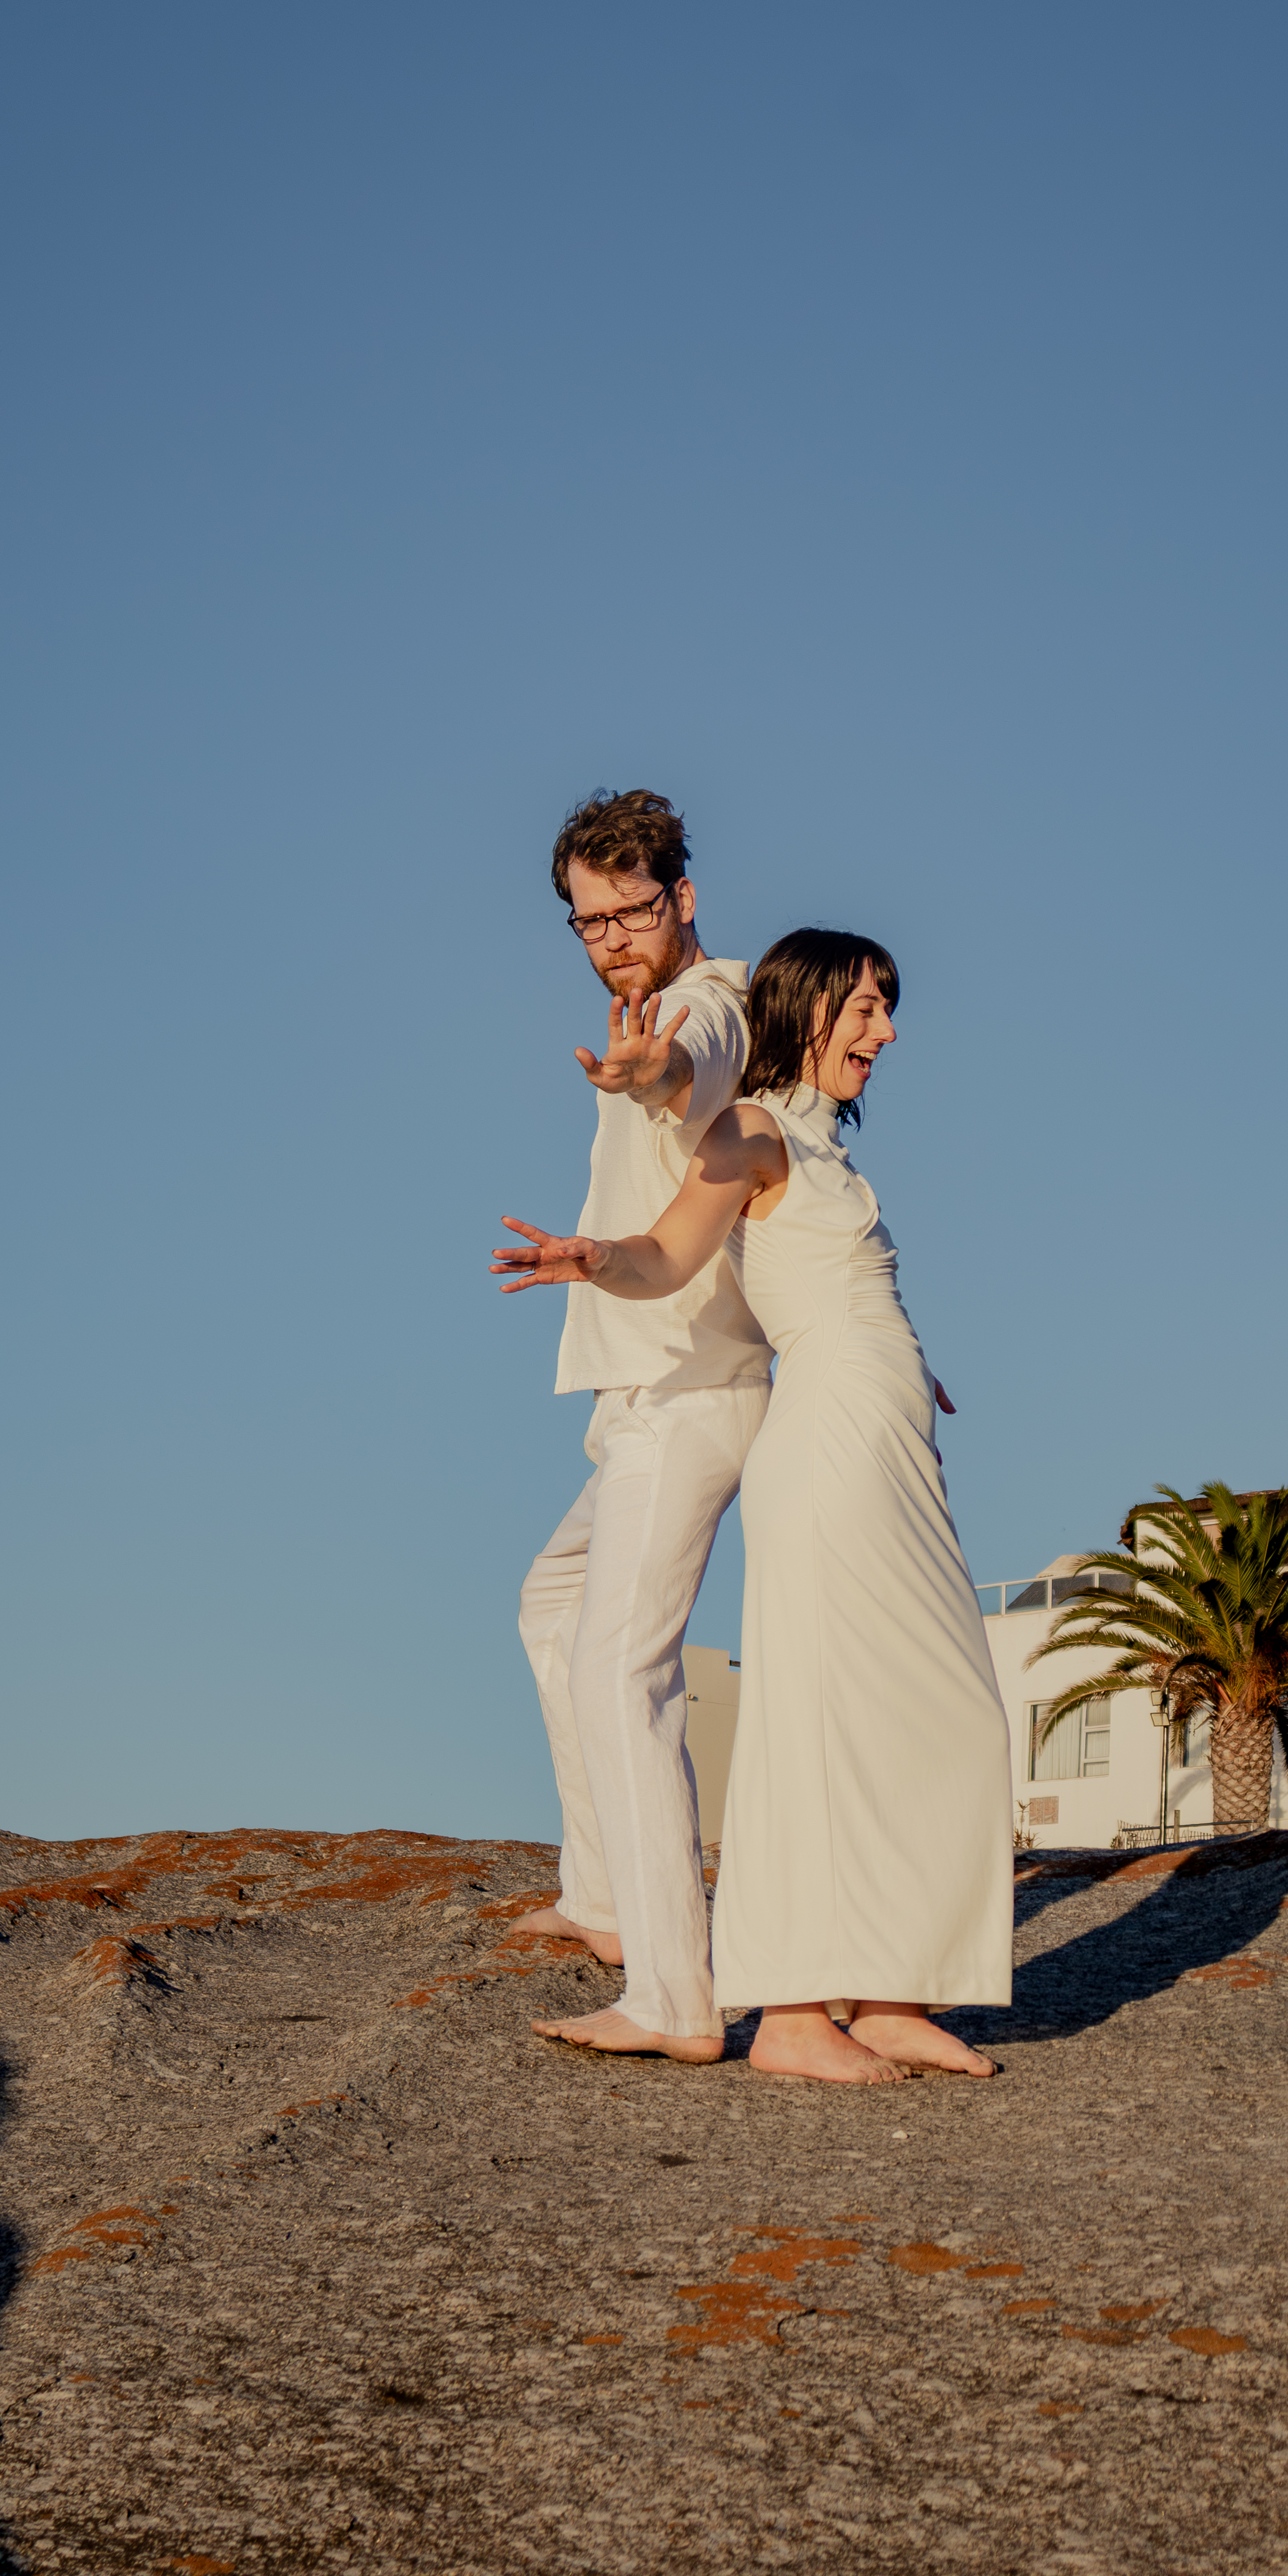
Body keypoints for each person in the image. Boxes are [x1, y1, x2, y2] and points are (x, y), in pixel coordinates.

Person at [495, 929, 1013, 2084]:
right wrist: (597, 1258)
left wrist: (902, 1358)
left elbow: (840, 1285)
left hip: (885, 1438)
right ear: (807, 1008)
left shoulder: (826, 1145)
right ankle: (789, 2014)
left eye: (886, 1008)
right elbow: (669, 1251)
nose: (886, 1031)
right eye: (865, 1008)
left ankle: (888, 1996)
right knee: (820, 1714)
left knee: (942, 1713)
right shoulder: (751, 1128)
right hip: (826, 1443)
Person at [509, 789, 772, 2062]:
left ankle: (675, 1992)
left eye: (631, 910)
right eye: (588, 920)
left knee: (627, 1671)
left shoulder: (713, 1001)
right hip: (642, 1392)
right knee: (553, 1604)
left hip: (691, 1391)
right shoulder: (650, 1001)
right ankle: (605, 1897)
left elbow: (693, 1068)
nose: (611, 937)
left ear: (682, 896)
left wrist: (651, 1070)